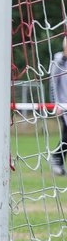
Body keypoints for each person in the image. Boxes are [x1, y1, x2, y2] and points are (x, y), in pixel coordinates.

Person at [50, 34, 67, 176]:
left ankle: (58, 160)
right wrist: (55, 104)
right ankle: (56, 158)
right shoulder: (58, 60)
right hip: (63, 105)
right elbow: (53, 83)